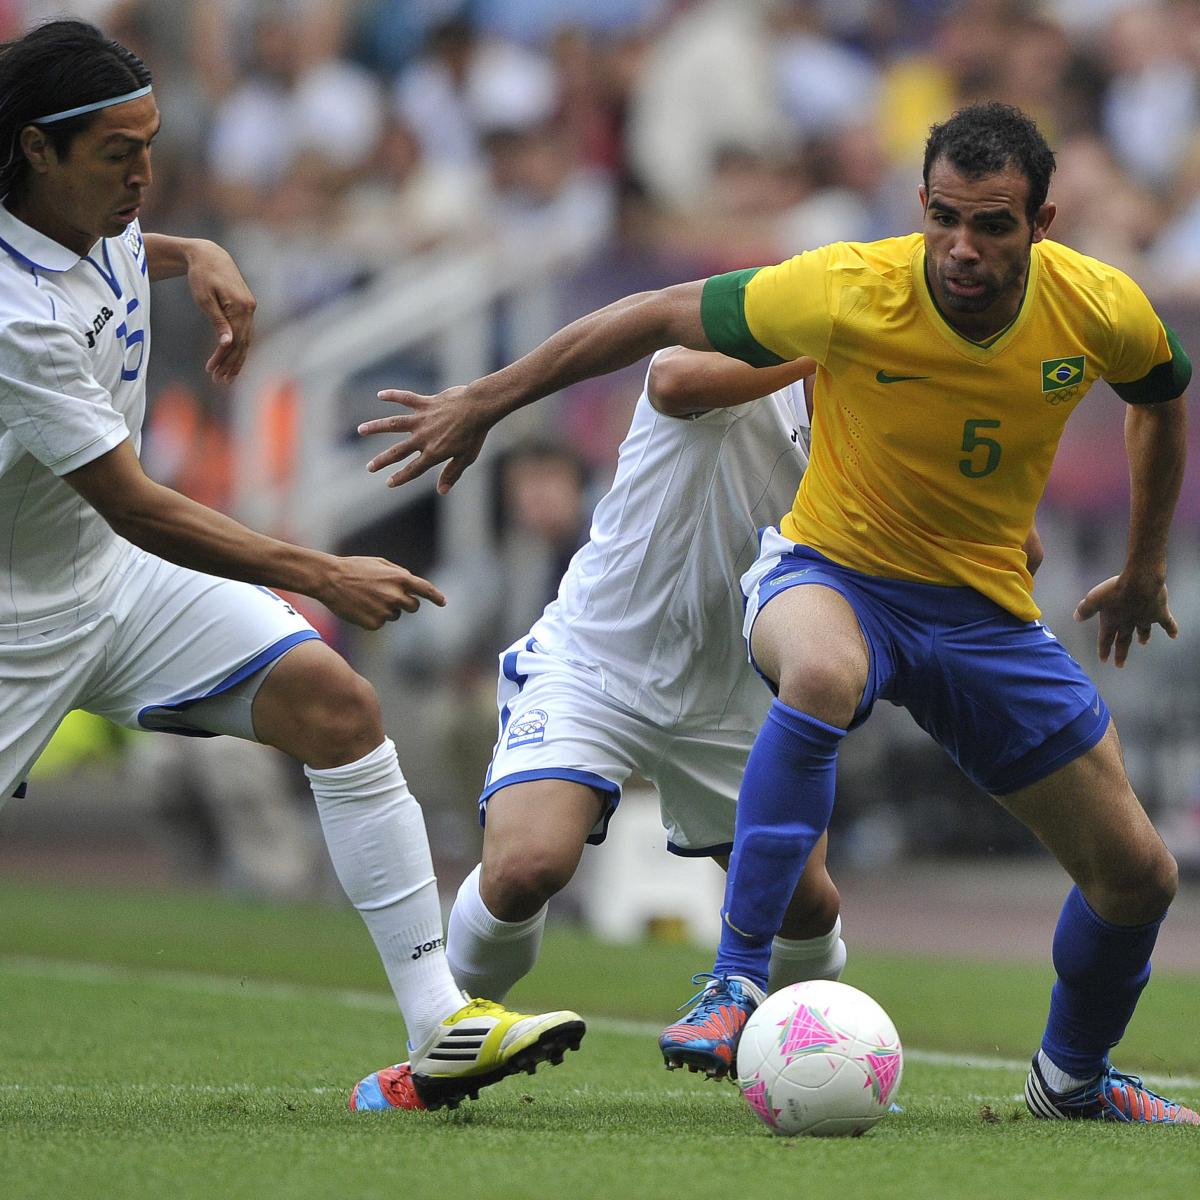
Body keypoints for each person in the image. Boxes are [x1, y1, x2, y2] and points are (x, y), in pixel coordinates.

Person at [360, 102, 1195, 1124]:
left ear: (1042, 222)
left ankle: (1064, 1077)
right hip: (675, 636)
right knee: (543, 855)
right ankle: (484, 1029)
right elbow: (668, 358)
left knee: (1137, 874)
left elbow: (1145, 400)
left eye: (992, 226)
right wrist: (486, 399)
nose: (961, 250)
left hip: (893, 640)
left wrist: (1140, 562)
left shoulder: (1094, 309)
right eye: (943, 220)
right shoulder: (837, 310)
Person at [0, 19, 583, 1115]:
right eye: (116, 154)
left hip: (110, 587)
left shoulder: (94, 222)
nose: (143, 175)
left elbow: (130, 251)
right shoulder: (13, 314)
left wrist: (196, 255)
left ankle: (442, 1025)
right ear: (34, 151)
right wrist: (320, 572)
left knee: (335, 703)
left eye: (153, 145)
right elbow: (134, 504)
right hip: (18, 612)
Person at [353, 348, 857, 1108]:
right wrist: (815, 350)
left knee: (808, 905)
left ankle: (804, 1058)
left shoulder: (885, 434)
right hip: (602, 660)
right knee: (525, 868)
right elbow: (671, 376)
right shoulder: (761, 352)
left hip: (738, 694)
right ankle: (434, 1053)